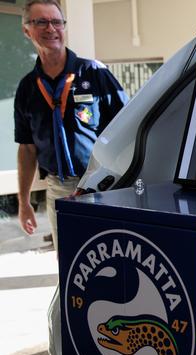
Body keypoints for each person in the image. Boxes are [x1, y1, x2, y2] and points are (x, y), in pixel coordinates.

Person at [14, 0, 128, 250]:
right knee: (68, 260)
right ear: (26, 30)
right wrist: (24, 202)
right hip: (58, 188)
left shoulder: (94, 73)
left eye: (56, 21)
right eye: (41, 21)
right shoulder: (27, 88)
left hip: (100, 184)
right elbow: (26, 148)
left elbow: (127, 126)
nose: (51, 28)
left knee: (108, 253)